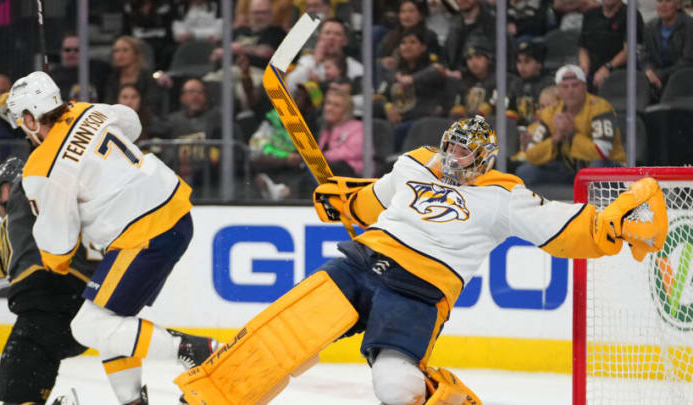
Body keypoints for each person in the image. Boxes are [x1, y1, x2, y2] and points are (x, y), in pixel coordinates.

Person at [176, 114, 668, 405]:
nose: (455, 157)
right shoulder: (413, 163)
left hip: (416, 292)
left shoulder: (503, 196)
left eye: (466, 152)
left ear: (486, 160)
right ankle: (208, 398)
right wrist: (343, 198)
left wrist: (610, 226)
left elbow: (563, 227)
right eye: (452, 146)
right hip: (357, 263)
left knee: (395, 386)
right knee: (280, 339)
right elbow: (371, 200)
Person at [2, 71, 218, 404]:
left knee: (87, 326)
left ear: (31, 118)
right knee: (111, 323)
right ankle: (131, 400)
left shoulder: (41, 167)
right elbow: (131, 122)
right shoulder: (87, 110)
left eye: (22, 122)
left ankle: (195, 350)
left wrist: (54, 264)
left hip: (144, 234)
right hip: (175, 213)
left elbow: (59, 241)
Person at [0, 157, 99, 405]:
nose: (1, 207)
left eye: (0, 196)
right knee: (26, 393)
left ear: (6, 187)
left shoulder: (27, 194)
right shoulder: (65, 202)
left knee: (16, 394)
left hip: (46, 305)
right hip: (81, 313)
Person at [515, 64, 625, 186]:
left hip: (609, 168)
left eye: (575, 85)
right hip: (571, 170)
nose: (570, 90)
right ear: (559, 90)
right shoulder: (551, 113)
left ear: (585, 86)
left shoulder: (600, 108)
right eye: (565, 87)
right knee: (525, 171)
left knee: (595, 169)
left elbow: (601, 152)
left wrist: (571, 134)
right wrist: (556, 138)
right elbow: (531, 154)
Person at [375, 27, 446, 151]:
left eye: (412, 42)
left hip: (420, 124)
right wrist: (387, 107)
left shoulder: (431, 68)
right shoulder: (395, 72)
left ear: (423, 47)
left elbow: (438, 71)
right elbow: (377, 96)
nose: (407, 46)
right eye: (403, 43)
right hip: (396, 123)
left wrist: (412, 79)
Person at [578, 0, 644, 89]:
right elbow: (583, 46)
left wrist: (607, 68)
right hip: (592, 70)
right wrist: (584, 67)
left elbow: (628, 51)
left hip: (620, 71)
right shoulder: (590, 14)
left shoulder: (631, 14)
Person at [103, 36, 169, 117]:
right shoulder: (111, 78)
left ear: (136, 54)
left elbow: (153, 106)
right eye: (116, 51)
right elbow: (108, 105)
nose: (120, 55)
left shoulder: (148, 78)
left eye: (125, 50)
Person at [643, 0, 693, 96]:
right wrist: (649, 71)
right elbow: (645, 56)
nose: (663, 5)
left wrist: (660, 75)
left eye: (668, 1)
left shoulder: (690, 26)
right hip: (654, 81)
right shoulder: (649, 27)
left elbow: (688, 61)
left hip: (683, 82)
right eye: (660, 1)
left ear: (678, 5)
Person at [49, 32, 111, 102]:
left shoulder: (100, 69)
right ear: (61, 52)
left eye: (77, 50)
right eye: (67, 50)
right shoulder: (53, 76)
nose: (72, 53)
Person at [510, 41, 555, 126]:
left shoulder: (549, 84)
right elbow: (510, 112)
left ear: (539, 64)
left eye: (527, 61)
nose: (522, 66)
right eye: (519, 61)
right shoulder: (515, 84)